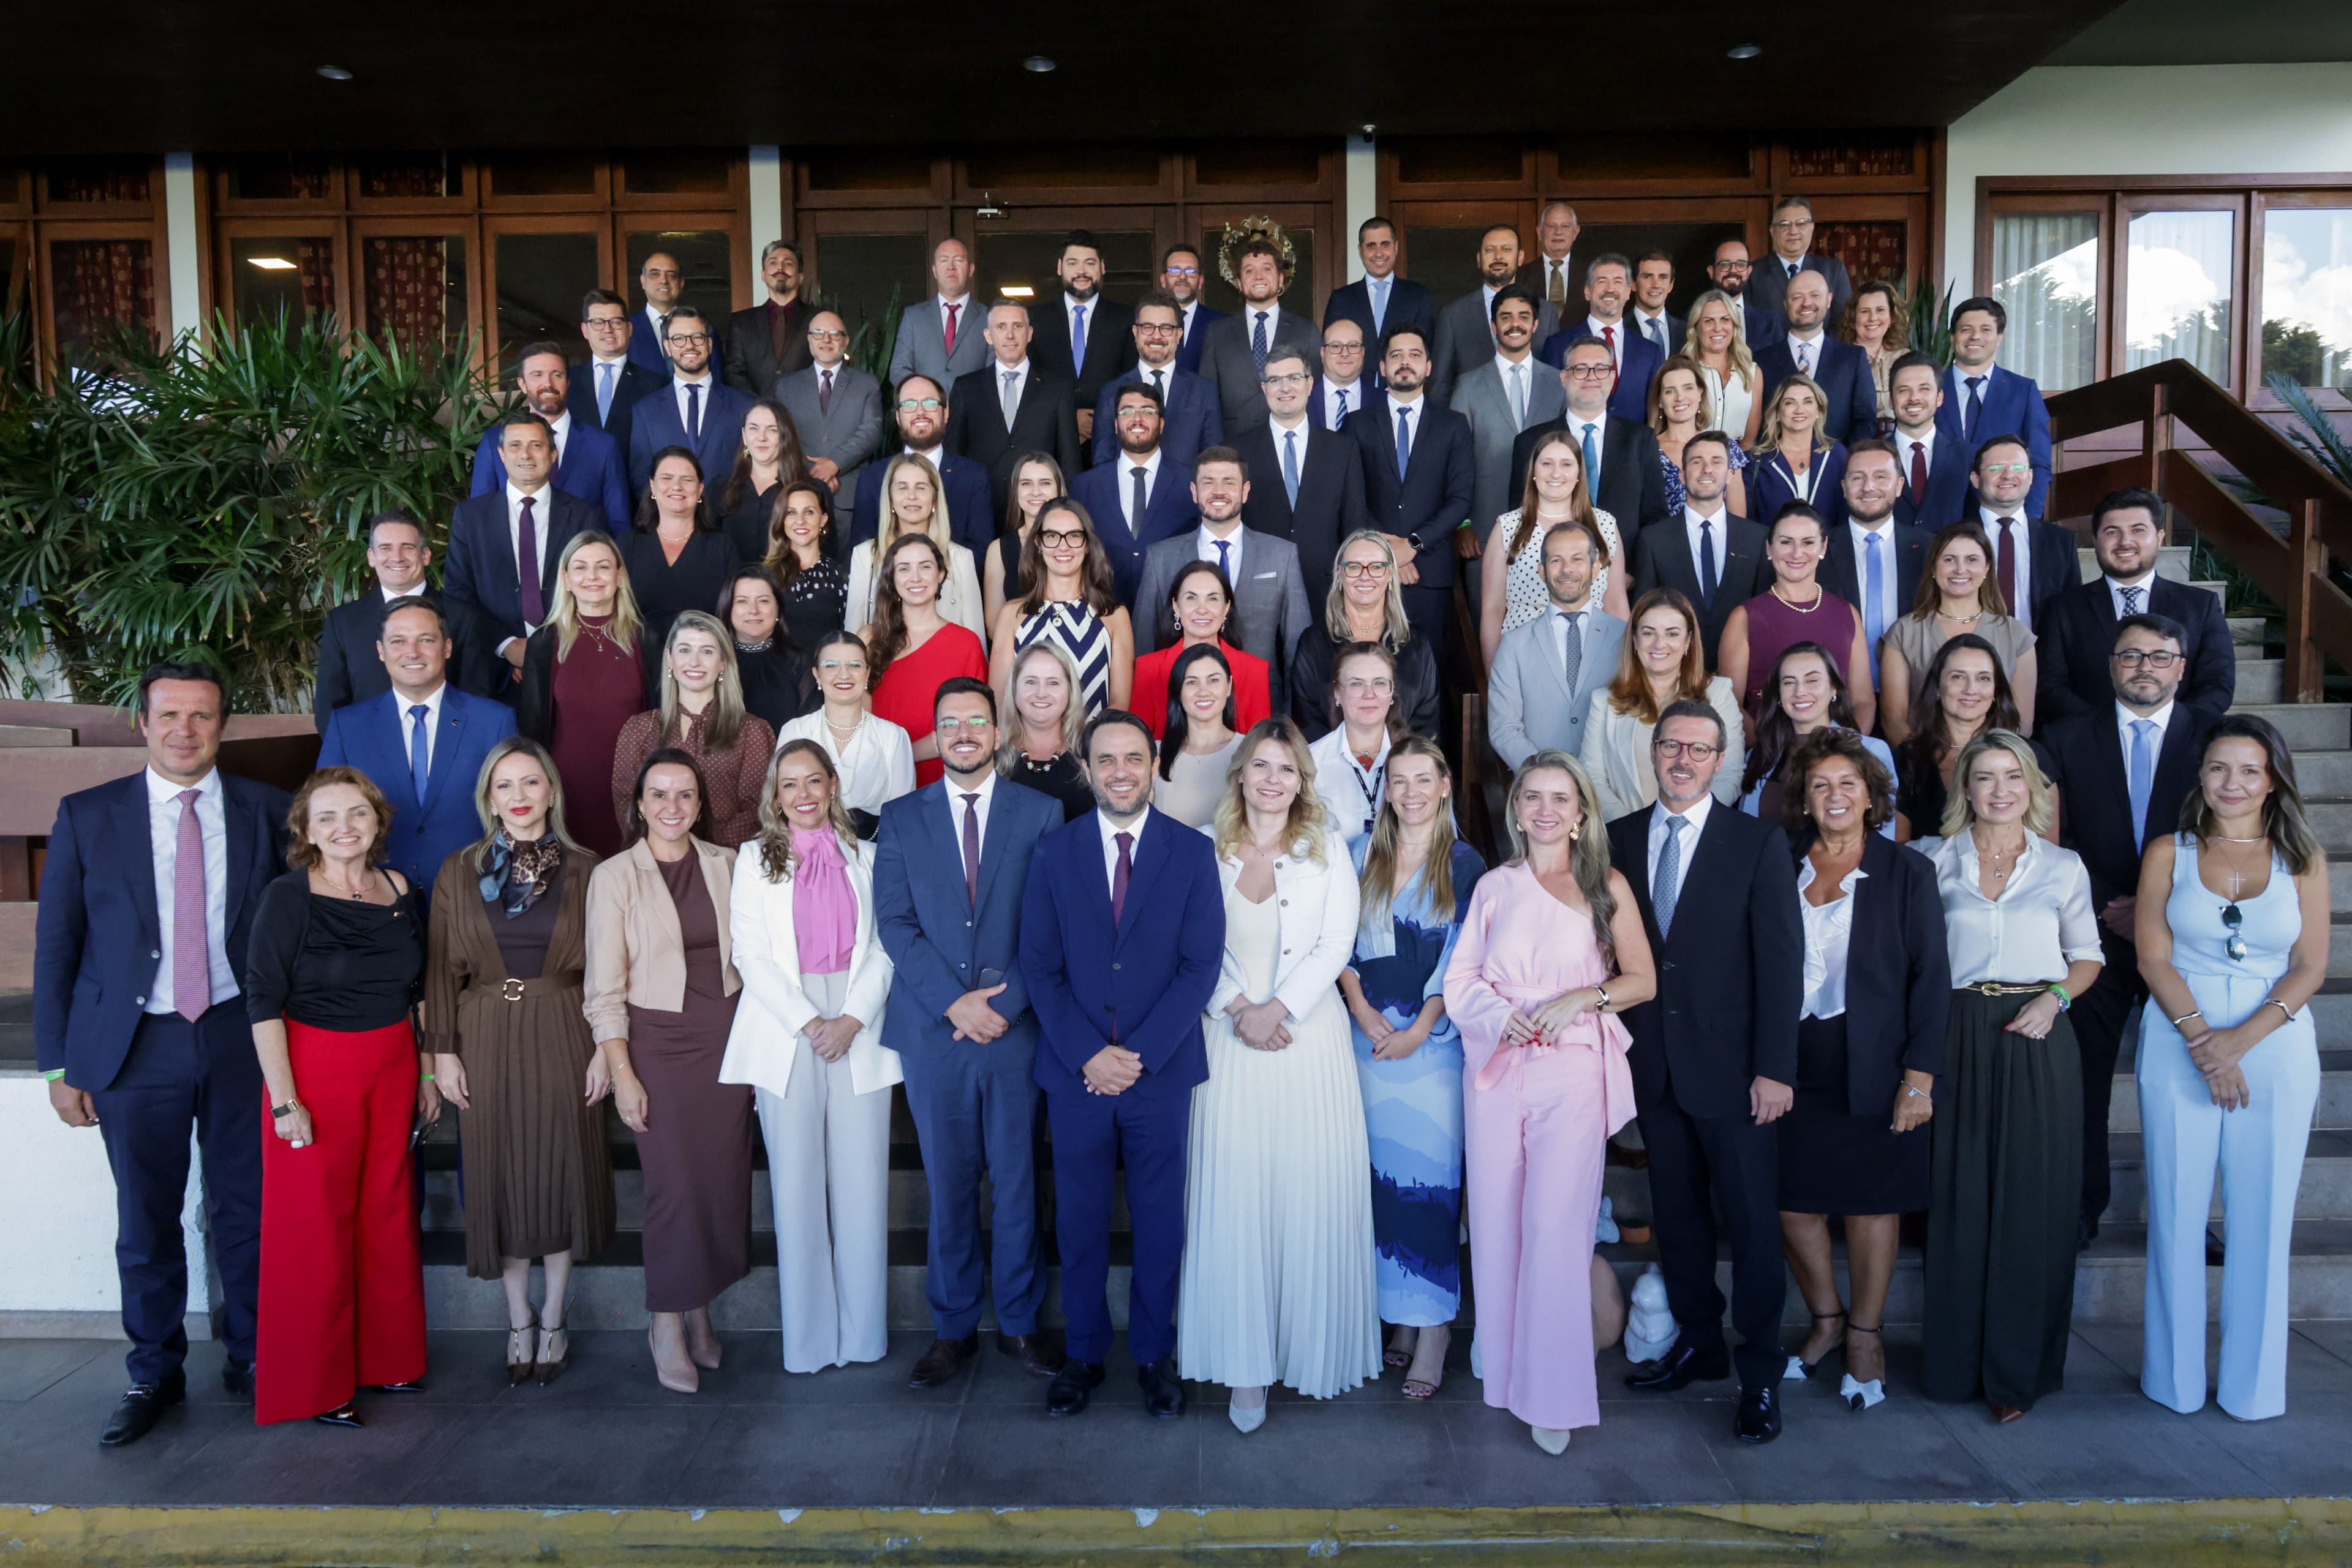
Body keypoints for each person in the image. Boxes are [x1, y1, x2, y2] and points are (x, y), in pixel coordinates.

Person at [34, 662, 290, 1446]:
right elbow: (58, 946)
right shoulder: (88, 814)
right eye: (170, 715)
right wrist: (57, 1064)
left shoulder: (267, 812)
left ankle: (252, 1359)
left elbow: (289, 939)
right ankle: (154, 1369)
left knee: (246, 1210)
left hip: (236, 1035)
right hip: (132, 1045)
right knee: (145, 1216)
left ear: (223, 726)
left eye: (203, 716)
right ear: (143, 723)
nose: (186, 730)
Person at [1449, 748, 1657, 1452]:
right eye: (1531, 796)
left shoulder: (1608, 885)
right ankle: (1506, 1370)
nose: (1544, 809)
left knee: (1556, 1229)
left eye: (1559, 798)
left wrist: (1582, 998)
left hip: (1572, 1067)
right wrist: (1492, 1015)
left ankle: (1555, 1394)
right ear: (1516, 810)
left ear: (1580, 813)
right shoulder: (1495, 886)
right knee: (1499, 1223)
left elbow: (1642, 981)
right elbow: (1462, 977)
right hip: (1500, 1063)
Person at [1020, 710, 1225, 1419]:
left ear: (1154, 760)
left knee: (1160, 1220)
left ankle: (1153, 1354)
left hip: (1158, 1074)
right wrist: (1089, 1054)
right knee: (1077, 1219)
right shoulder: (1054, 853)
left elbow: (1200, 969)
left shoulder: (1192, 854)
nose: (1120, 772)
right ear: (1087, 765)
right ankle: (1082, 1353)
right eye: (1106, 760)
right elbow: (1039, 969)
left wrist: (1134, 1058)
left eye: (1133, 758)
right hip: (1076, 1075)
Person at [1609, 700, 1803, 1444]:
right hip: (1654, 1066)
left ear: (1720, 760)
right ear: (1651, 754)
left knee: (1753, 1227)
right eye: (1672, 746)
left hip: (1737, 1073)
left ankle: (1760, 1376)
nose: (1684, 759)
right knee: (1680, 1220)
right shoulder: (1621, 838)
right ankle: (1699, 1341)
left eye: (1700, 748)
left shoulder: (1756, 843)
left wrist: (1775, 1069)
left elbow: (1782, 965)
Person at [1180, 718, 1379, 1430]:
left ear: (1302, 779)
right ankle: (1244, 1366)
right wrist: (1239, 1006)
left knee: (1304, 1191)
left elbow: (1337, 941)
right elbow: (1191, 944)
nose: (1273, 779)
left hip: (1307, 1039)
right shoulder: (1203, 849)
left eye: (1286, 769)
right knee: (1238, 1198)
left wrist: (1280, 1008)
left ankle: (1306, 1348)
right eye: (1260, 766)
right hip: (1230, 1041)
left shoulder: (1327, 847)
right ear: (1241, 774)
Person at [2134, 714, 2329, 1421]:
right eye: (2219, 767)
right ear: (2201, 775)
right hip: (2178, 1034)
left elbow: (2311, 964)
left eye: (2248, 769)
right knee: (2178, 1213)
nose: (2232, 783)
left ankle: (2252, 1388)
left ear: (2272, 777)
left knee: (2262, 1216)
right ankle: (2173, 1379)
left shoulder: (2302, 855)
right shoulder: (2169, 851)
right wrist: (2202, 1042)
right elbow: (2153, 954)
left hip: (2273, 1042)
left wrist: (2236, 1043)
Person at [875, 679, 1068, 1385]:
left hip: (1015, 1031)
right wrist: (955, 1004)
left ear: (998, 731)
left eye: (975, 722)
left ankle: (1018, 1323)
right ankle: (953, 1329)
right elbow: (894, 923)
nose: (962, 732)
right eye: (948, 721)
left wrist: (1006, 1002)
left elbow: (1053, 923)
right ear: (936, 732)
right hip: (936, 1033)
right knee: (949, 1183)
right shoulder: (900, 818)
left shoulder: (1041, 813)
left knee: (1017, 1181)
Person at [1920, 731, 2103, 1421]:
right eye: (1986, 777)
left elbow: (2086, 957)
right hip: (1956, 1031)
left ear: (2033, 789)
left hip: (2036, 1034)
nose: (2000, 790)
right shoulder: (1933, 861)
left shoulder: (2063, 867)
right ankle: (1954, 1364)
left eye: (2013, 778)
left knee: (2032, 1204)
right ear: (1965, 787)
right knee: (1960, 1196)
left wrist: (2053, 1000)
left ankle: (2015, 1374)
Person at [244, 767, 432, 1426]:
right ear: (306, 830)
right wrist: (283, 1099)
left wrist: (428, 1074)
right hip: (314, 1070)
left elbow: (419, 990)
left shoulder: (403, 890)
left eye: (357, 813)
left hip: (393, 1064)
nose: (343, 827)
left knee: (385, 1213)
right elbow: (262, 1001)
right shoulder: (286, 898)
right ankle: (317, 1386)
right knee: (314, 1227)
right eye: (327, 816)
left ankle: (389, 1360)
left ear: (378, 822)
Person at [423, 737, 613, 1387]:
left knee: (561, 1167)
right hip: (483, 1030)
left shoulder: (591, 870)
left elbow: (612, 971)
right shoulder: (458, 871)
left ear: (552, 791)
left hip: (566, 1025)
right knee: (500, 1172)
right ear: (489, 797)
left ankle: (555, 1317)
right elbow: (440, 969)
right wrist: (440, 1054)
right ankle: (518, 1320)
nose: (520, 796)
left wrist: (608, 1052)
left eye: (532, 783)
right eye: (506, 785)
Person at [1773, 730, 1949, 1412]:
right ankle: (1825, 1318)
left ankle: (1866, 1334)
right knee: (1793, 1202)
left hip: (1876, 1064)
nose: (1835, 796)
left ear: (1873, 796)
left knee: (1873, 1204)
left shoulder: (1907, 872)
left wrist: (1919, 1078)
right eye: (1821, 785)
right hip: (1790, 1064)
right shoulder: (1778, 859)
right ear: (1805, 799)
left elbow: (1932, 981)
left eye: (1849, 784)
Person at [717, 740, 900, 1373]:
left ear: (832, 786)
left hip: (858, 1023)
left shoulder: (870, 857)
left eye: (813, 781)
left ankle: (864, 1335)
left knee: (862, 1187)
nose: (802, 794)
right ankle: (811, 1343)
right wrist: (809, 1022)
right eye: (789, 784)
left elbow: (885, 946)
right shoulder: (751, 860)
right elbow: (751, 954)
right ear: (775, 794)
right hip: (786, 1027)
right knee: (796, 1189)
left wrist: (850, 1019)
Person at [2043, 612, 2219, 1246]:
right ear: (2111, 666)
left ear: (2182, 666)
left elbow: (2227, 840)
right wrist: (2102, 908)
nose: (2144, 666)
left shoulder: (2214, 742)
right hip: (2094, 936)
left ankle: (2187, 1218)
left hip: (2184, 941)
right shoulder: (2063, 738)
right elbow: (2051, 839)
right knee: (2084, 1080)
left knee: (2185, 1081)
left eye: (2159, 656)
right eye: (2131, 656)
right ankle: (2084, 1206)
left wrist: (2153, 908)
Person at [586, 750, 746, 1395]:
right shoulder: (616, 875)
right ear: (641, 803)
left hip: (727, 1040)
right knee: (674, 1187)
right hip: (660, 1041)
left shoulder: (728, 865)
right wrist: (621, 1069)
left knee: (719, 1182)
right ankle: (664, 1322)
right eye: (660, 795)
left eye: (685, 795)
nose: (672, 807)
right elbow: (603, 987)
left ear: (701, 804)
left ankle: (700, 1310)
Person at [1340, 737, 1483, 1398]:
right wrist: (1363, 1011)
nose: (1411, 791)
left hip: (1431, 1052)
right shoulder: (1356, 853)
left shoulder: (1466, 863)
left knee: (1428, 1190)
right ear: (1385, 788)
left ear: (1445, 784)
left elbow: (1464, 955)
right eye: (1399, 780)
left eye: (1423, 779)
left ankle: (1434, 1330)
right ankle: (1398, 1316)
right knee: (1379, 1186)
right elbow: (1332, 940)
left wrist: (1421, 1026)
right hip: (1365, 1044)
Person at [317, 597, 519, 900]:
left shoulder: (494, 721)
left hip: (472, 896)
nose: (412, 652)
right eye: (398, 641)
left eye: (426, 640)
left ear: (447, 648)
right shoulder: (348, 725)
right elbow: (323, 812)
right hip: (376, 898)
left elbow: (515, 818)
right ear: (381, 651)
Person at [1130, 448, 1313, 709]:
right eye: (1208, 482)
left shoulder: (1281, 555)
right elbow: (1143, 646)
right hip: (1178, 709)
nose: (1218, 491)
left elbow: (1298, 648)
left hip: (1260, 706)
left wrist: (1290, 720)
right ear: (1194, 491)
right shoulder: (1161, 557)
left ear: (1245, 490)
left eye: (1229, 482)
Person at [2037, 488, 2236, 723]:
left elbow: (2217, 684)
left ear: (2160, 537)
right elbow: (2050, 685)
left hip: (2178, 745)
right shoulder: (2062, 609)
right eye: (2112, 532)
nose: (2125, 542)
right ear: (2095, 539)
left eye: (2138, 530)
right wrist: (2105, 728)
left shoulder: (2200, 606)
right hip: (2089, 745)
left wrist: (2170, 725)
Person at [444, 412, 600, 696]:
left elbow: (595, 590)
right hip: (494, 670)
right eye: (515, 446)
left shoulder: (584, 515)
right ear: (501, 454)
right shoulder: (470, 518)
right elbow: (458, 593)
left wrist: (549, 648)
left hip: (569, 662)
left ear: (553, 455)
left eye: (536, 446)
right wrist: (508, 646)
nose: (526, 455)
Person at [516, 532, 646, 858]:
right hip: (567, 792)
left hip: (634, 791)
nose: (592, 576)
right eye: (581, 568)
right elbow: (532, 730)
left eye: (603, 566)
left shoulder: (647, 640)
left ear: (619, 576)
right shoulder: (545, 643)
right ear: (566, 579)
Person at [1347, 325, 1473, 654]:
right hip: (1369, 574)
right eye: (1396, 355)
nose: (1406, 362)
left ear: (1428, 367)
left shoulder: (1453, 425)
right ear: (1383, 367)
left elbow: (1460, 500)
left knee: (1427, 674)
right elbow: (1351, 496)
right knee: (1368, 670)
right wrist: (1390, 553)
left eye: (1415, 355)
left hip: (1430, 574)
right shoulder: (1357, 424)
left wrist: (1414, 545)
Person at [314, 510, 499, 725]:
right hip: (366, 754)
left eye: (408, 548)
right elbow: (329, 709)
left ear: (426, 556)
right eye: (386, 548)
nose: (397, 557)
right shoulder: (343, 622)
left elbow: (477, 703)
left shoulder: (465, 617)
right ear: (371, 558)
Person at [611, 611, 777, 849]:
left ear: (723, 663)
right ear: (670, 659)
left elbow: (757, 810)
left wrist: (700, 853)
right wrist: (669, 850)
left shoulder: (752, 731)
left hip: (729, 864)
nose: (695, 662)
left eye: (707, 652)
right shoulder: (640, 729)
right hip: (656, 864)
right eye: (685, 650)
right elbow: (627, 802)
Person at [1583, 589, 1746, 820]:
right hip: (1624, 837)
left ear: (1688, 641)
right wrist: (1633, 829)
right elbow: (1593, 779)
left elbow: (1730, 773)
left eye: (1672, 634)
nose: (1660, 644)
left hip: (1698, 836)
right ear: (1635, 640)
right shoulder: (1604, 701)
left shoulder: (1718, 694)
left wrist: (1688, 822)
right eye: (1649, 633)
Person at [1720, 503, 1875, 734]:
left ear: (1823, 546)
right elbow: (1730, 705)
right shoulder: (1744, 617)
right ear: (1769, 548)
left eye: (1808, 542)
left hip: (1838, 757)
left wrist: (1847, 752)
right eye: (1785, 542)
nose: (1796, 553)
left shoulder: (1847, 613)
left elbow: (1863, 701)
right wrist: (1770, 755)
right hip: (1770, 759)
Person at [1480, 427, 1626, 671]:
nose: (1556, 473)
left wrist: (1625, 670)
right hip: (1524, 658)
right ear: (1534, 472)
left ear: (1579, 472)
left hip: (1594, 656)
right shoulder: (1508, 527)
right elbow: (1493, 609)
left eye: (1567, 464)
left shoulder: (1605, 525)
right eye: (1547, 463)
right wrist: (1494, 679)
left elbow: (1616, 604)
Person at [1880, 522, 2038, 745]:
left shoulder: (2017, 635)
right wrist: (1924, 768)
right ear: (1933, 568)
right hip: (1923, 766)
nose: (1960, 569)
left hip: (1995, 768)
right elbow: (1894, 719)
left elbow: (2021, 723)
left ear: (1987, 569)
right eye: (1949, 559)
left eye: (1972, 560)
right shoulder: (1905, 632)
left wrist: (1987, 765)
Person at [1238, 344, 1371, 611]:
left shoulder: (1342, 450)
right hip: (1257, 590)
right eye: (1274, 380)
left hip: (1327, 590)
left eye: (1294, 378)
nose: (1285, 388)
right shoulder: (1238, 451)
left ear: (1310, 384)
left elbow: (1354, 525)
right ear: (1264, 389)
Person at [1488, 519, 1625, 771]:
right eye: (1556, 560)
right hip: (1541, 795)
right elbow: (1504, 728)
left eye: (1577, 560)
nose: (1566, 570)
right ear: (1542, 571)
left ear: (1596, 570)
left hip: (1612, 788)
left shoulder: (1626, 638)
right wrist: (1545, 777)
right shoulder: (1514, 644)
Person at [1892, 635, 2052, 843]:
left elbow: (2048, 850)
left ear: (1996, 690)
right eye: (1958, 677)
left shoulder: (2033, 755)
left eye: (1983, 678)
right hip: (1929, 874)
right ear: (1938, 688)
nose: (1971, 689)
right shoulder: (1907, 758)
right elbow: (1900, 850)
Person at [862, 533, 991, 788]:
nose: (916, 577)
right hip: (878, 780)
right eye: (904, 568)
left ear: (941, 574)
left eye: (925, 566)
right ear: (892, 578)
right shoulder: (869, 638)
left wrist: (902, 757)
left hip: (942, 781)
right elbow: (858, 720)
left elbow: (974, 724)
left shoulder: (966, 644)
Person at [987, 494, 1133, 719]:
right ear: (1038, 544)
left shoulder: (1114, 616)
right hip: (1024, 749)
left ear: (1087, 545)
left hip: (1091, 749)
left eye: (1074, 536)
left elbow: (1120, 703)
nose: (1063, 547)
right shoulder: (1012, 615)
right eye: (1052, 536)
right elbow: (998, 702)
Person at [1630, 432, 1766, 667]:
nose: (1707, 469)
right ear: (1683, 476)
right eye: (1696, 462)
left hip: (1740, 673)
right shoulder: (1653, 539)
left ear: (1730, 475)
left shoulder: (1757, 538)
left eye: (1716, 462)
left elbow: (1763, 616)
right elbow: (1643, 615)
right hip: (1673, 672)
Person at [1289, 531, 1439, 742]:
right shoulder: (1313, 643)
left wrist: (1396, 768)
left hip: (1402, 769)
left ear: (1390, 575)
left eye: (1377, 567)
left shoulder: (1417, 644)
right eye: (1354, 567)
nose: (1365, 575)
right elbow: (1307, 724)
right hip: (1330, 770)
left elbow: (1427, 726)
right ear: (1339, 574)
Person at [1737, 641, 1900, 832]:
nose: (1800, 692)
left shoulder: (1871, 751)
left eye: (1812, 681)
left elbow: (1883, 836)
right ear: (1779, 695)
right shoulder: (1759, 754)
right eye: (1789, 682)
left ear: (1833, 689)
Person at [470, 340, 631, 527]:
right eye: (537, 375)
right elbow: (479, 517)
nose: (548, 383)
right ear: (522, 384)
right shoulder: (494, 441)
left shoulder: (603, 445)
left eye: (557, 375)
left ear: (568, 382)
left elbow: (618, 522)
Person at [1453, 285, 1566, 549]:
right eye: (1506, 317)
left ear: (1536, 325)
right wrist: (1463, 523)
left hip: (1551, 528)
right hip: (1484, 526)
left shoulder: (1559, 383)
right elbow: (1454, 460)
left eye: (1524, 317)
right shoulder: (1467, 386)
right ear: (1494, 326)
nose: (1515, 324)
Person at [946, 301, 1083, 514]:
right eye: (1001, 327)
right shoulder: (966, 388)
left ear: (1029, 334)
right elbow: (954, 457)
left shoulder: (1058, 388)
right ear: (988, 336)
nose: (1010, 335)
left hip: (1041, 511)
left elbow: (1069, 460)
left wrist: (1067, 513)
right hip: (981, 509)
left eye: (1017, 326)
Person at [775, 630, 918, 836]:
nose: (844, 675)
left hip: (875, 856)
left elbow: (904, 817)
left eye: (855, 665)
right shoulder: (795, 731)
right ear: (816, 674)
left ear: (868, 673)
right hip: (806, 856)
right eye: (831, 666)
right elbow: (782, 803)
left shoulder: (893, 736)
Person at [1069, 382, 1200, 603]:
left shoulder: (1191, 483)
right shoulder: (1085, 485)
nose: (1137, 418)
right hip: (1103, 611)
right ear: (1116, 425)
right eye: (1127, 411)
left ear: (1162, 423)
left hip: (1171, 612)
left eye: (1148, 411)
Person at [1819, 439, 1931, 687]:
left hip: (1915, 696)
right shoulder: (1817, 550)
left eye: (1881, 477)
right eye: (1858, 478)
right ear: (1844, 487)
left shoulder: (1930, 550)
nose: (1869, 487)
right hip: (1838, 694)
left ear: (1900, 485)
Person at [846, 374, 996, 556]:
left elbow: (981, 552)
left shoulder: (973, 476)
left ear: (946, 412)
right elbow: (863, 549)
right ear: (898, 417)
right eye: (909, 404)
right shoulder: (873, 477)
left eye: (930, 403)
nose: (920, 412)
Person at [845, 453, 987, 639]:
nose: (912, 496)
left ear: (935, 499)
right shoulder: (865, 556)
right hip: (882, 665)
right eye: (902, 488)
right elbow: (852, 641)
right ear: (890, 499)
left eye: (921, 488)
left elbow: (975, 641)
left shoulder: (960, 558)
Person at [1129, 560, 1274, 740]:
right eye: (1191, 598)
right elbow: (1137, 743)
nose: (1202, 609)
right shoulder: (1148, 668)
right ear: (1176, 606)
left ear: (1227, 608)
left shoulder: (1254, 670)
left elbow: (1260, 746)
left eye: (1212, 599)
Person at [620, 448, 744, 656]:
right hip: (637, 665)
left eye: (687, 480)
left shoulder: (722, 547)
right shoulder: (627, 545)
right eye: (667, 478)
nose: (676, 486)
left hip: (703, 666)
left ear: (701, 489)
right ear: (652, 486)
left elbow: (735, 617)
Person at [1940, 297, 2053, 519]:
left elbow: (2038, 462)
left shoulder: (2023, 391)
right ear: (1953, 337)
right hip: (1942, 518)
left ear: (2000, 337)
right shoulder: (1931, 388)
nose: (1975, 337)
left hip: (2004, 516)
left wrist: (2029, 519)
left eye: (1986, 329)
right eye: (1966, 330)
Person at [627, 307, 753, 497]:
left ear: (709, 344)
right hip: (668, 522)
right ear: (667, 347)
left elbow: (755, 469)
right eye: (679, 338)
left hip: (729, 521)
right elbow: (641, 478)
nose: (689, 345)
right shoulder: (645, 410)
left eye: (697, 337)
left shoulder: (745, 405)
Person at [1092, 290, 1223, 470]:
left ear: (1179, 335)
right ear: (1135, 333)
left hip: (1186, 496)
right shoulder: (1110, 392)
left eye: (1166, 328)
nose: (1156, 336)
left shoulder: (1204, 391)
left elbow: (1213, 461)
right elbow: (1103, 462)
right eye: (1148, 327)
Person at [1197, 236, 1318, 429]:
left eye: (1267, 269)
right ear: (1238, 282)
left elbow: (1316, 393)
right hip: (1233, 447)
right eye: (1249, 271)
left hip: (1289, 442)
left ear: (1280, 280)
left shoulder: (1306, 331)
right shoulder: (1217, 333)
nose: (1258, 276)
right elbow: (1207, 398)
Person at [1434, 224, 1561, 403]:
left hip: (1536, 427)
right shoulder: (1453, 315)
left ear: (1520, 257)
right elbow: (1440, 386)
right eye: (1490, 250)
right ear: (1479, 259)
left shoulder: (1546, 313)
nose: (1498, 256)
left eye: (1507, 249)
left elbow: (1555, 382)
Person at [1028, 231, 1137, 439]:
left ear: (1102, 267)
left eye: (1090, 263)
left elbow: (1131, 378)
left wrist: (1102, 419)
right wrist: (1069, 417)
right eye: (1072, 263)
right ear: (1060, 268)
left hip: (1110, 437)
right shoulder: (1036, 319)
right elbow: (1032, 381)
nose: (1081, 271)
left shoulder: (1126, 318)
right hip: (1052, 439)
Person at [1535, 254, 1665, 428]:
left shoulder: (1650, 351)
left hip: (1631, 450)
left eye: (1618, 282)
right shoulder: (1558, 345)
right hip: (1573, 448)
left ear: (1628, 292)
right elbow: (1548, 407)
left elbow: (1655, 412)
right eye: (1602, 281)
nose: (1610, 289)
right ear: (1587, 292)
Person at [775, 311, 885, 508]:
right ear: (809, 339)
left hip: (850, 495)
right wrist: (817, 474)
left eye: (835, 334)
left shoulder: (866, 384)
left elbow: (872, 431)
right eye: (818, 333)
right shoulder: (788, 387)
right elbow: (784, 438)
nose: (826, 339)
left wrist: (835, 464)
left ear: (846, 341)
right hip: (801, 492)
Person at [1971, 432, 2079, 634]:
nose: (2008, 475)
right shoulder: (1949, 539)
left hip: (2041, 658)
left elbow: (2072, 613)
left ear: (2030, 477)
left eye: (2018, 468)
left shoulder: (2061, 542)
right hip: (1969, 658)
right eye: (1996, 468)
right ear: (1976, 479)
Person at [1757, 271, 1877, 448]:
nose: (1806, 303)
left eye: (1815, 295)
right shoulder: (1760, 360)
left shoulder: (1853, 358)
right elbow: (1756, 422)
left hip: (1838, 469)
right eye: (1797, 297)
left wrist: (1845, 460)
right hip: (1777, 467)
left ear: (1829, 300)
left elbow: (1865, 420)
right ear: (1785, 304)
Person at [1309, 642, 1411, 841]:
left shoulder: (1419, 760)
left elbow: (1443, 839)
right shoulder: (1309, 761)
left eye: (1380, 683)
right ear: (1338, 693)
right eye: (1357, 683)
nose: (1369, 694)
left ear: (1392, 692)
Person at [1000, 640, 1095, 822]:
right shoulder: (992, 756)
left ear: (1070, 690)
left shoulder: (1093, 753)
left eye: (1053, 683)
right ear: (1014, 689)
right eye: (1031, 682)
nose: (1041, 693)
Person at [1154, 643, 1245, 831]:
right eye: (1192, 682)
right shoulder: (1154, 753)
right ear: (1178, 691)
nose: (1203, 691)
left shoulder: (1250, 750)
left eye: (1213, 681)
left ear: (1229, 686)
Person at [1747, 375, 1850, 533]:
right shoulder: (1755, 461)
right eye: (1790, 403)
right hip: (1771, 554)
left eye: (1808, 401)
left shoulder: (1837, 455)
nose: (1799, 410)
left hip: (1829, 554)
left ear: (1819, 411)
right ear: (1777, 413)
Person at [1651, 354, 1750, 518]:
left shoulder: (1727, 447)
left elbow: (1738, 519)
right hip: (1663, 541)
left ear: (1700, 394)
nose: (1680, 397)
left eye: (1688, 388)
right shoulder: (1647, 450)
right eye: (1670, 391)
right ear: (1660, 401)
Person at [888, 238, 992, 391]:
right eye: (944, 261)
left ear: (971, 269)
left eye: (958, 260)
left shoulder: (989, 317)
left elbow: (994, 370)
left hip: (974, 412)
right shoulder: (914, 317)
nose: (951, 267)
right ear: (935, 271)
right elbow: (899, 369)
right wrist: (926, 399)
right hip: (925, 411)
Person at [723, 564, 819, 730]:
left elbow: (810, 731)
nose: (753, 610)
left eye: (764, 601)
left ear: (778, 609)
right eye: (742, 601)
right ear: (728, 607)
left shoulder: (801, 663)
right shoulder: (712, 660)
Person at [763, 478, 851, 658]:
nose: (800, 521)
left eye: (809, 512)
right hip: (774, 675)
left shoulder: (840, 577)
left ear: (823, 519)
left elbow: (848, 637)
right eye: (791, 513)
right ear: (782, 520)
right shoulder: (764, 576)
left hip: (825, 675)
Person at [571, 288, 665, 457]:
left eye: (616, 322)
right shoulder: (567, 382)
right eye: (598, 322)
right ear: (585, 330)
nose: (608, 329)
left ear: (629, 329)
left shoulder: (655, 385)